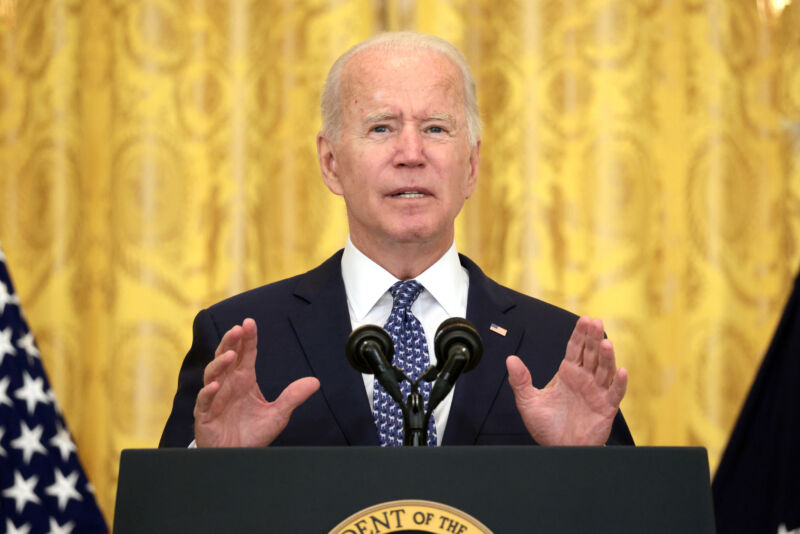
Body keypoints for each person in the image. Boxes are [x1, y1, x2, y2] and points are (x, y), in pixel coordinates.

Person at [160, 32, 633, 449]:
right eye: (382, 127)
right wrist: (213, 469)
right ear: (330, 163)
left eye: (435, 128)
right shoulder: (241, 345)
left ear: (470, 165)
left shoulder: (556, 349)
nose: (411, 154)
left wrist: (584, 468)